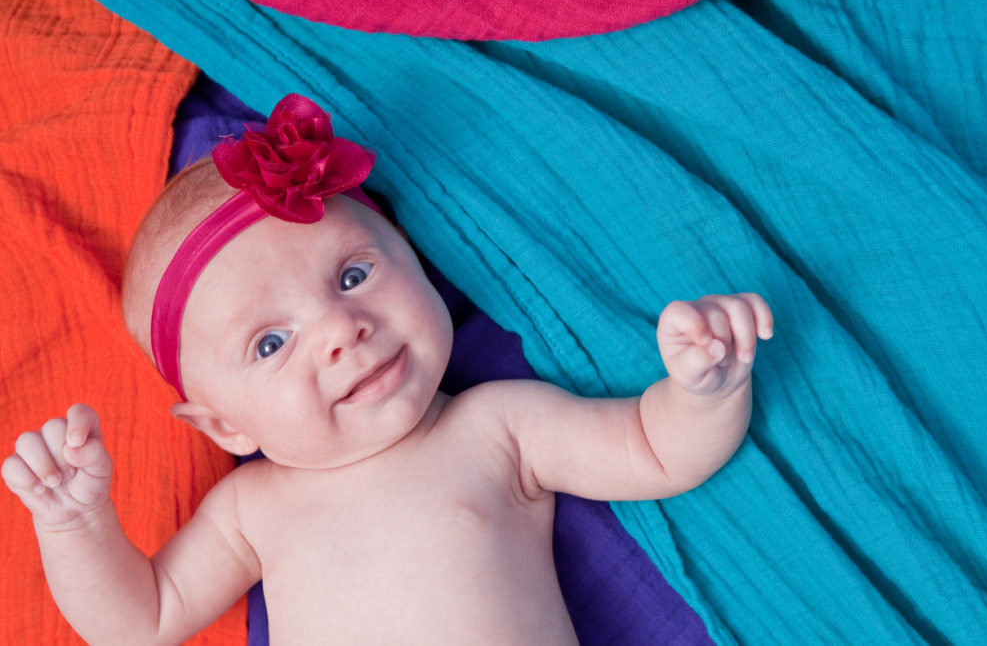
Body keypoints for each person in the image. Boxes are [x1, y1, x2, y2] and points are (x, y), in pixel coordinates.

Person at [2, 94, 773, 645]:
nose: (341, 330)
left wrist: (704, 386)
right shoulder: (250, 511)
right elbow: (138, 621)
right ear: (225, 425)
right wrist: (75, 526)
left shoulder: (498, 425)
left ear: (416, 258)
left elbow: (653, 447)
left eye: (352, 275)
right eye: (271, 344)